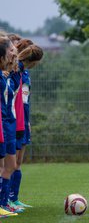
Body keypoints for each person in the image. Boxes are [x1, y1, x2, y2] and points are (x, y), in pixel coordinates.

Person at [8, 43, 43, 209]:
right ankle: (6, 200)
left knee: (17, 162)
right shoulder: (15, 70)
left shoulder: (24, 72)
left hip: (22, 120)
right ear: (35, 61)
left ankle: (13, 199)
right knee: (10, 163)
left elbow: (24, 100)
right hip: (12, 121)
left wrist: (26, 120)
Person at [0, 36, 21, 217]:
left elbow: (13, 88)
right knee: (5, 165)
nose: (15, 52)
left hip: (9, 124)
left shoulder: (7, 76)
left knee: (10, 165)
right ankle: (2, 203)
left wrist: (13, 68)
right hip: (4, 123)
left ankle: (4, 203)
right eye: (11, 50)